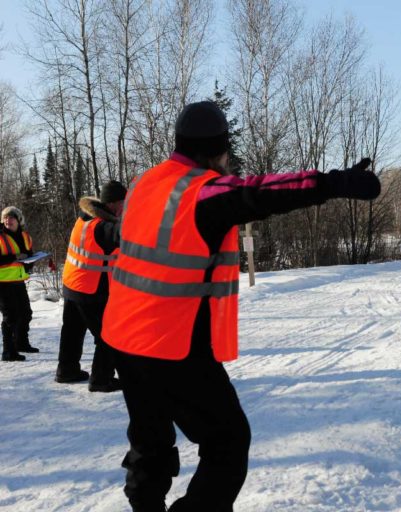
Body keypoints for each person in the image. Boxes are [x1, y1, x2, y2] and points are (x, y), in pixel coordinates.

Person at [102, 100, 381, 512]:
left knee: (150, 438)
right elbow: (260, 193)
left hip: (123, 337)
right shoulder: (203, 192)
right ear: (217, 150)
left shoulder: (146, 183)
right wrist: (335, 182)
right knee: (228, 441)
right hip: (173, 344)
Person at [55, 181, 126, 392]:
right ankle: (101, 379)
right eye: (124, 202)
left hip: (72, 285)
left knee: (72, 331)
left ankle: (66, 371)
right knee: (109, 336)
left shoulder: (84, 219)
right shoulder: (103, 228)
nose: (125, 207)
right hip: (91, 290)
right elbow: (128, 236)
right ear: (113, 204)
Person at [0, 206, 37, 361]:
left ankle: (21, 343)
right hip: (2, 282)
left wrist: (29, 262)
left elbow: (29, 256)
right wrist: (14, 257)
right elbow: (13, 258)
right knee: (11, 317)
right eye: (6, 218)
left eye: (12, 217)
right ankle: (8, 351)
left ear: (19, 220)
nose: (8, 220)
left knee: (25, 313)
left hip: (18, 280)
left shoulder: (25, 236)